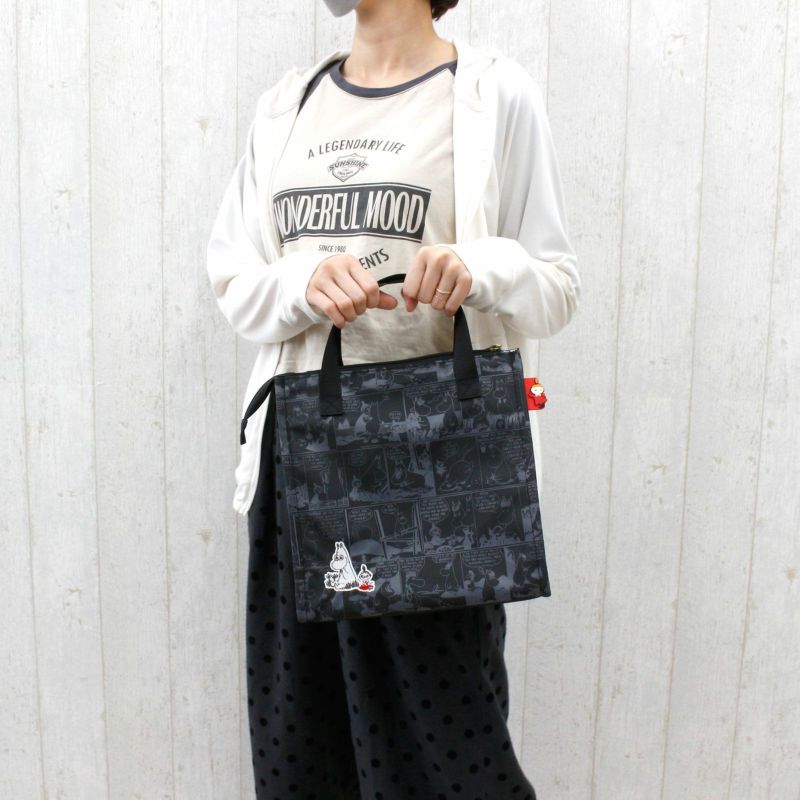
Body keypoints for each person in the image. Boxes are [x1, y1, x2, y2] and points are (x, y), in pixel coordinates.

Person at [206, 1, 581, 797]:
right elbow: (235, 281)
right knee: (302, 752)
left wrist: (480, 268)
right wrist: (302, 281)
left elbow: (556, 286)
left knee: (451, 757)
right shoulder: (287, 105)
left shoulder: (491, 95)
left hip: (437, 471)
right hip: (300, 464)